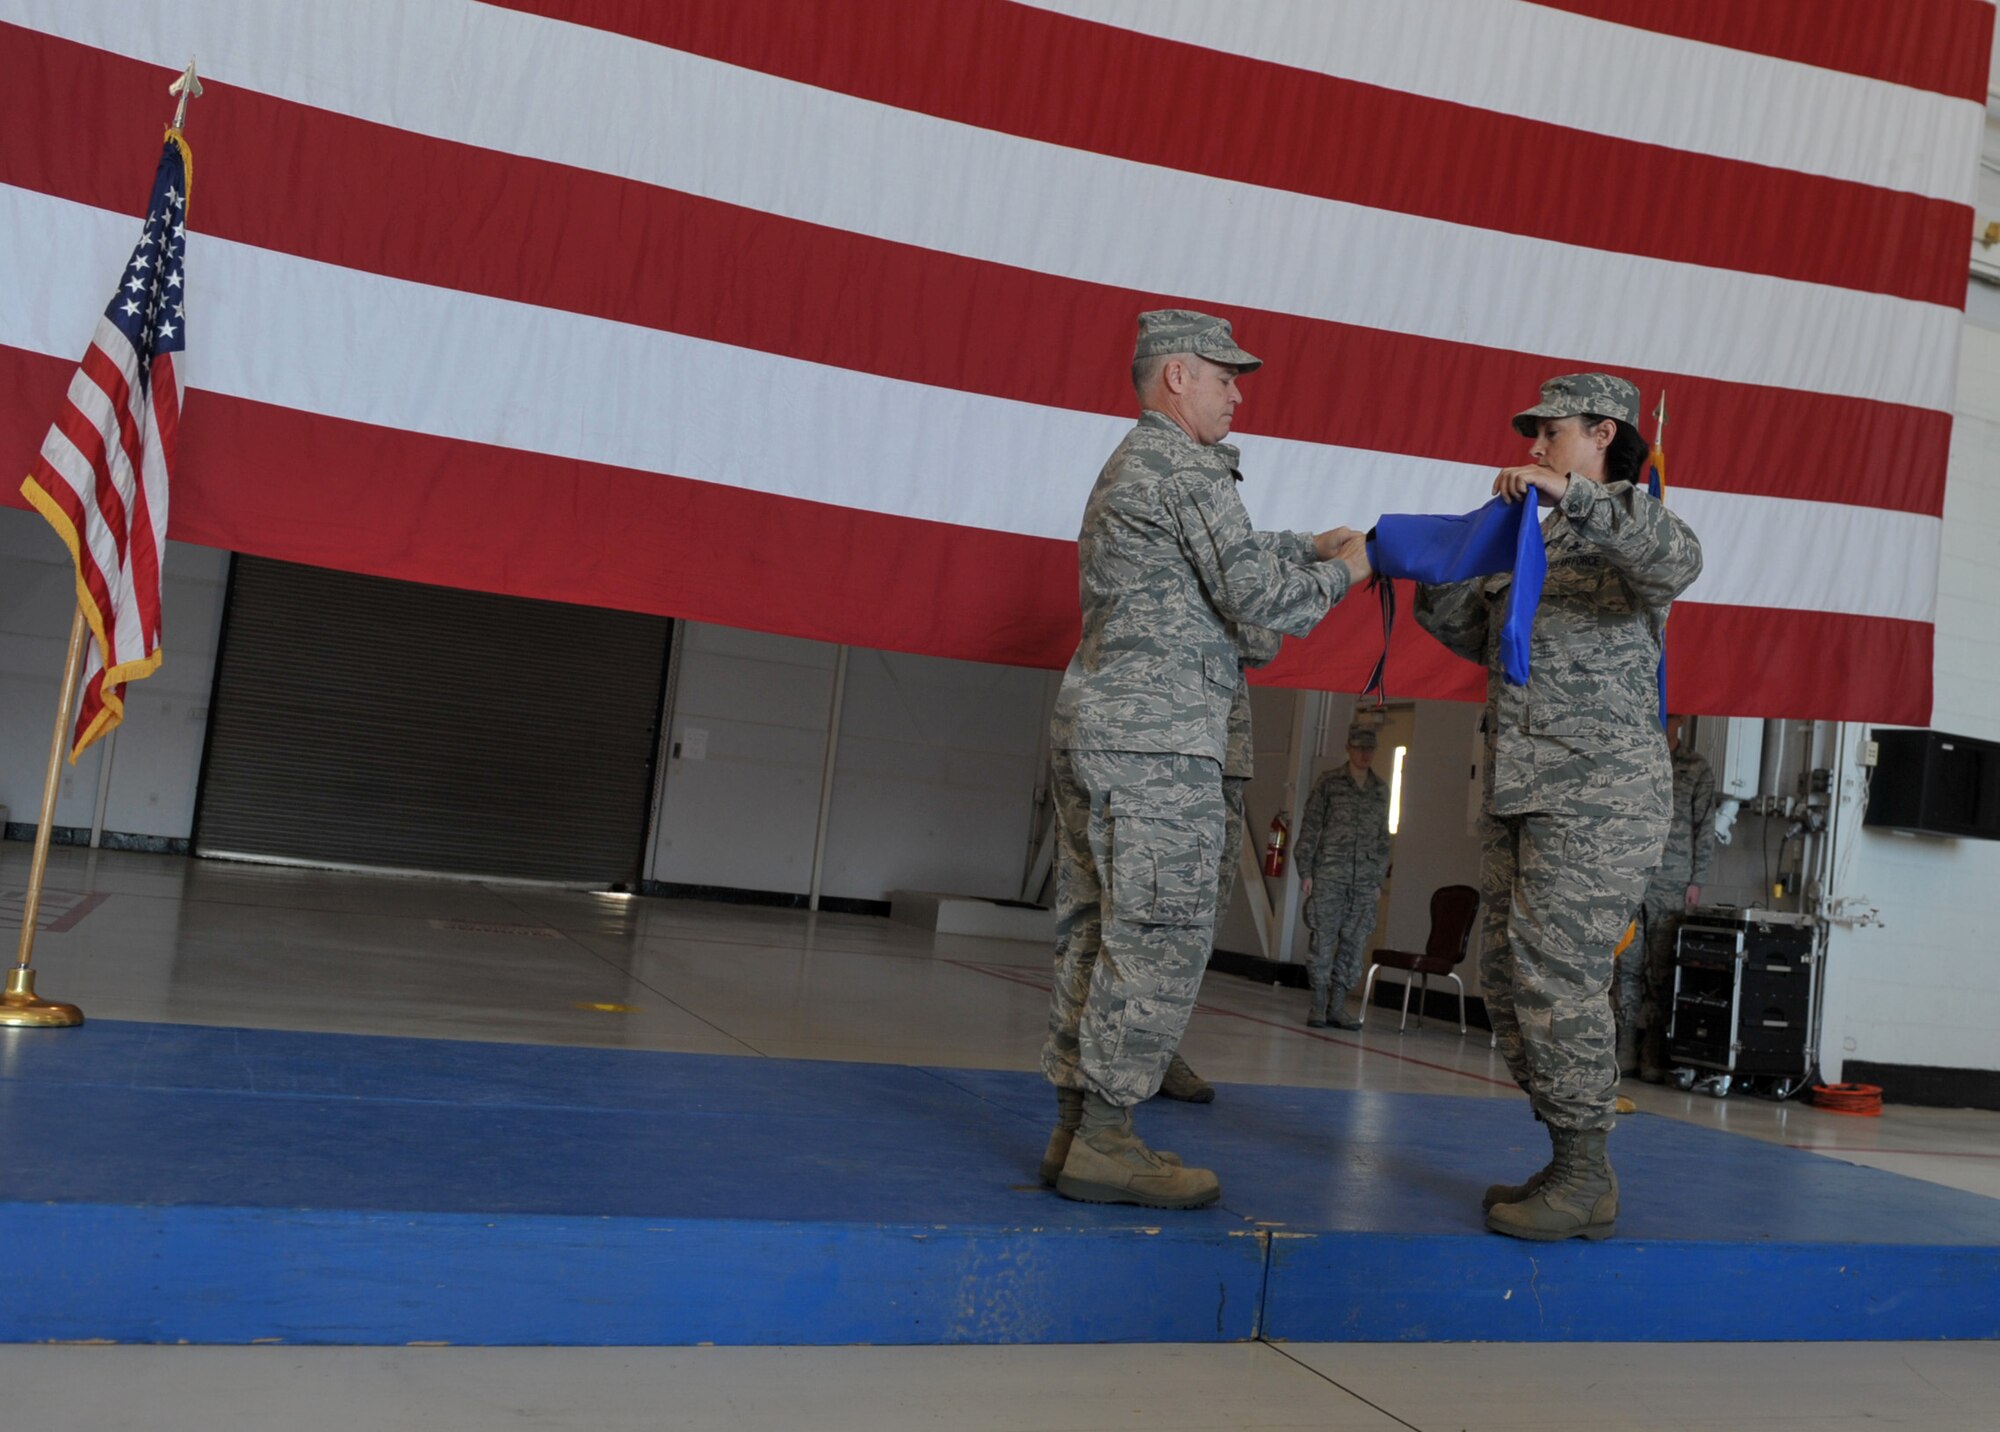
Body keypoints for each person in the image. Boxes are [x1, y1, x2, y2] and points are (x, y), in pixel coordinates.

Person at [1040, 309, 1370, 1210]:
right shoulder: (1183, 466)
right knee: (1156, 935)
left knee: (1096, 935)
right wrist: (1351, 570)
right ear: (1176, 376)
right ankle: (1107, 1140)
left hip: (1106, 730)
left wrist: (1307, 543)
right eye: (1225, 377)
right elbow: (1258, 598)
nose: (1238, 394)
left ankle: (1075, 1128)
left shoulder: (1142, 464)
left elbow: (1228, 560)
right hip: (1157, 744)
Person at [1413, 372, 1701, 1241]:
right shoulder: (1537, 540)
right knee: (1508, 981)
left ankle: (1585, 1172)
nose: (1534, 447)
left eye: (1552, 431)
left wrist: (1567, 494)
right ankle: (1567, 1153)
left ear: (1603, 433)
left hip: (1599, 799)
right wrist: (1433, 558)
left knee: (1558, 978)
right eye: (1532, 437)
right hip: (1525, 792)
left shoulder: (1632, 521)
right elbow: (1473, 632)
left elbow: (1677, 559)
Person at [1158, 621, 1284, 1105]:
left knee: (1201, 927)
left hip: (1223, 762)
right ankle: (1122, 1054)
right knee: (1148, 915)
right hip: (1167, 750)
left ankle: (1159, 1050)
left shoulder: (1237, 580)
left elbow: (1264, 641)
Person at [1631, 713, 1718, 1081]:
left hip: (1673, 882)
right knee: (1625, 967)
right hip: (1632, 878)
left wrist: (1697, 881)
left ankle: (1652, 1054)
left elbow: (1705, 827)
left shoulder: (1696, 768)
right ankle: (1623, 1051)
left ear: (1682, 721)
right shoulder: (1634, 755)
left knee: (1661, 971)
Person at [1295, 724, 1392, 1029]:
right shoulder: (1329, 783)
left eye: (1370, 748)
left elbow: (1382, 839)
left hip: (1363, 881)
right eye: (1359, 748)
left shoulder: (1380, 790)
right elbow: (1310, 827)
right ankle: (1318, 1005)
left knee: (1354, 944)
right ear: (1349, 748)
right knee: (1323, 941)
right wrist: (1306, 871)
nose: (1365, 754)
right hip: (1329, 875)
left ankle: (1338, 1005)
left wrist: (1377, 880)